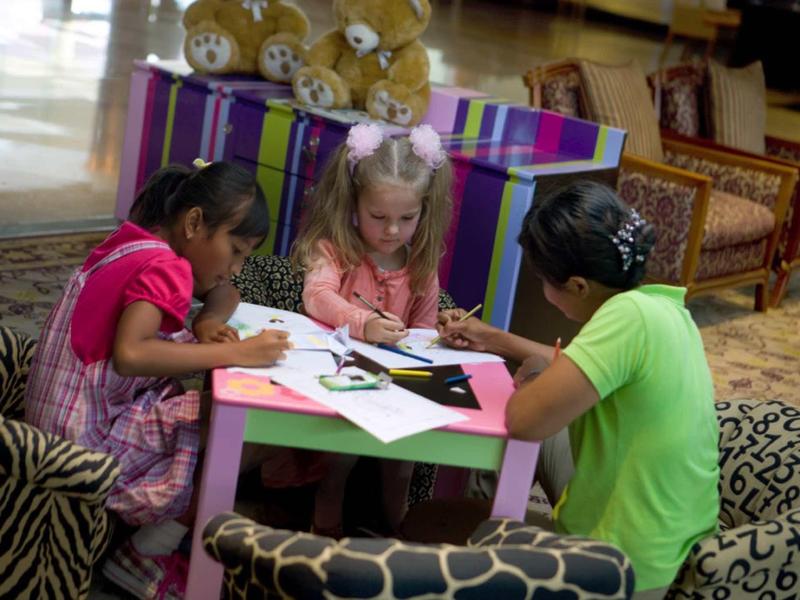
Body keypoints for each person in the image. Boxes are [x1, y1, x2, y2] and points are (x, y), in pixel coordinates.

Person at [436, 181, 719, 599]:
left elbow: (525, 419)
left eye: (542, 281)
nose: (544, 293)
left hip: (625, 566)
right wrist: (494, 339)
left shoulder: (625, 318)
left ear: (578, 286)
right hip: (675, 541)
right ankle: (495, 520)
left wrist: (532, 376)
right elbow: (583, 369)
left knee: (433, 523)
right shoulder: (661, 308)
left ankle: (486, 540)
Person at [25, 161, 292, 599]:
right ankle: (145, 554)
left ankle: (156, 539)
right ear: (193, 224)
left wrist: (206, 322)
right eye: (236, 250)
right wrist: (237, 352)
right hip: (83, 442)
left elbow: (226, 292)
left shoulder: (136, 240)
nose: (237, 268)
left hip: (57, 421)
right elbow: (132, 354)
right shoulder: (168, 267)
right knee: (238, 421)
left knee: (210, 410)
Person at [280, 122, 453, 537]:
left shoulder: (421, 268)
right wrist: (365, 324)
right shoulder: (335, 249)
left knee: (402, 469)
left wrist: (439, 337)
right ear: (353, 204)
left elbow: (423, 333)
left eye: (407, 218)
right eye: (378, 217)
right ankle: (325, 540)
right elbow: (317, 296)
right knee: (336, 464)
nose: (392, 230)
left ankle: (397, 544)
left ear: (423, 212)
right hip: (338, 382)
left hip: (396, 388)